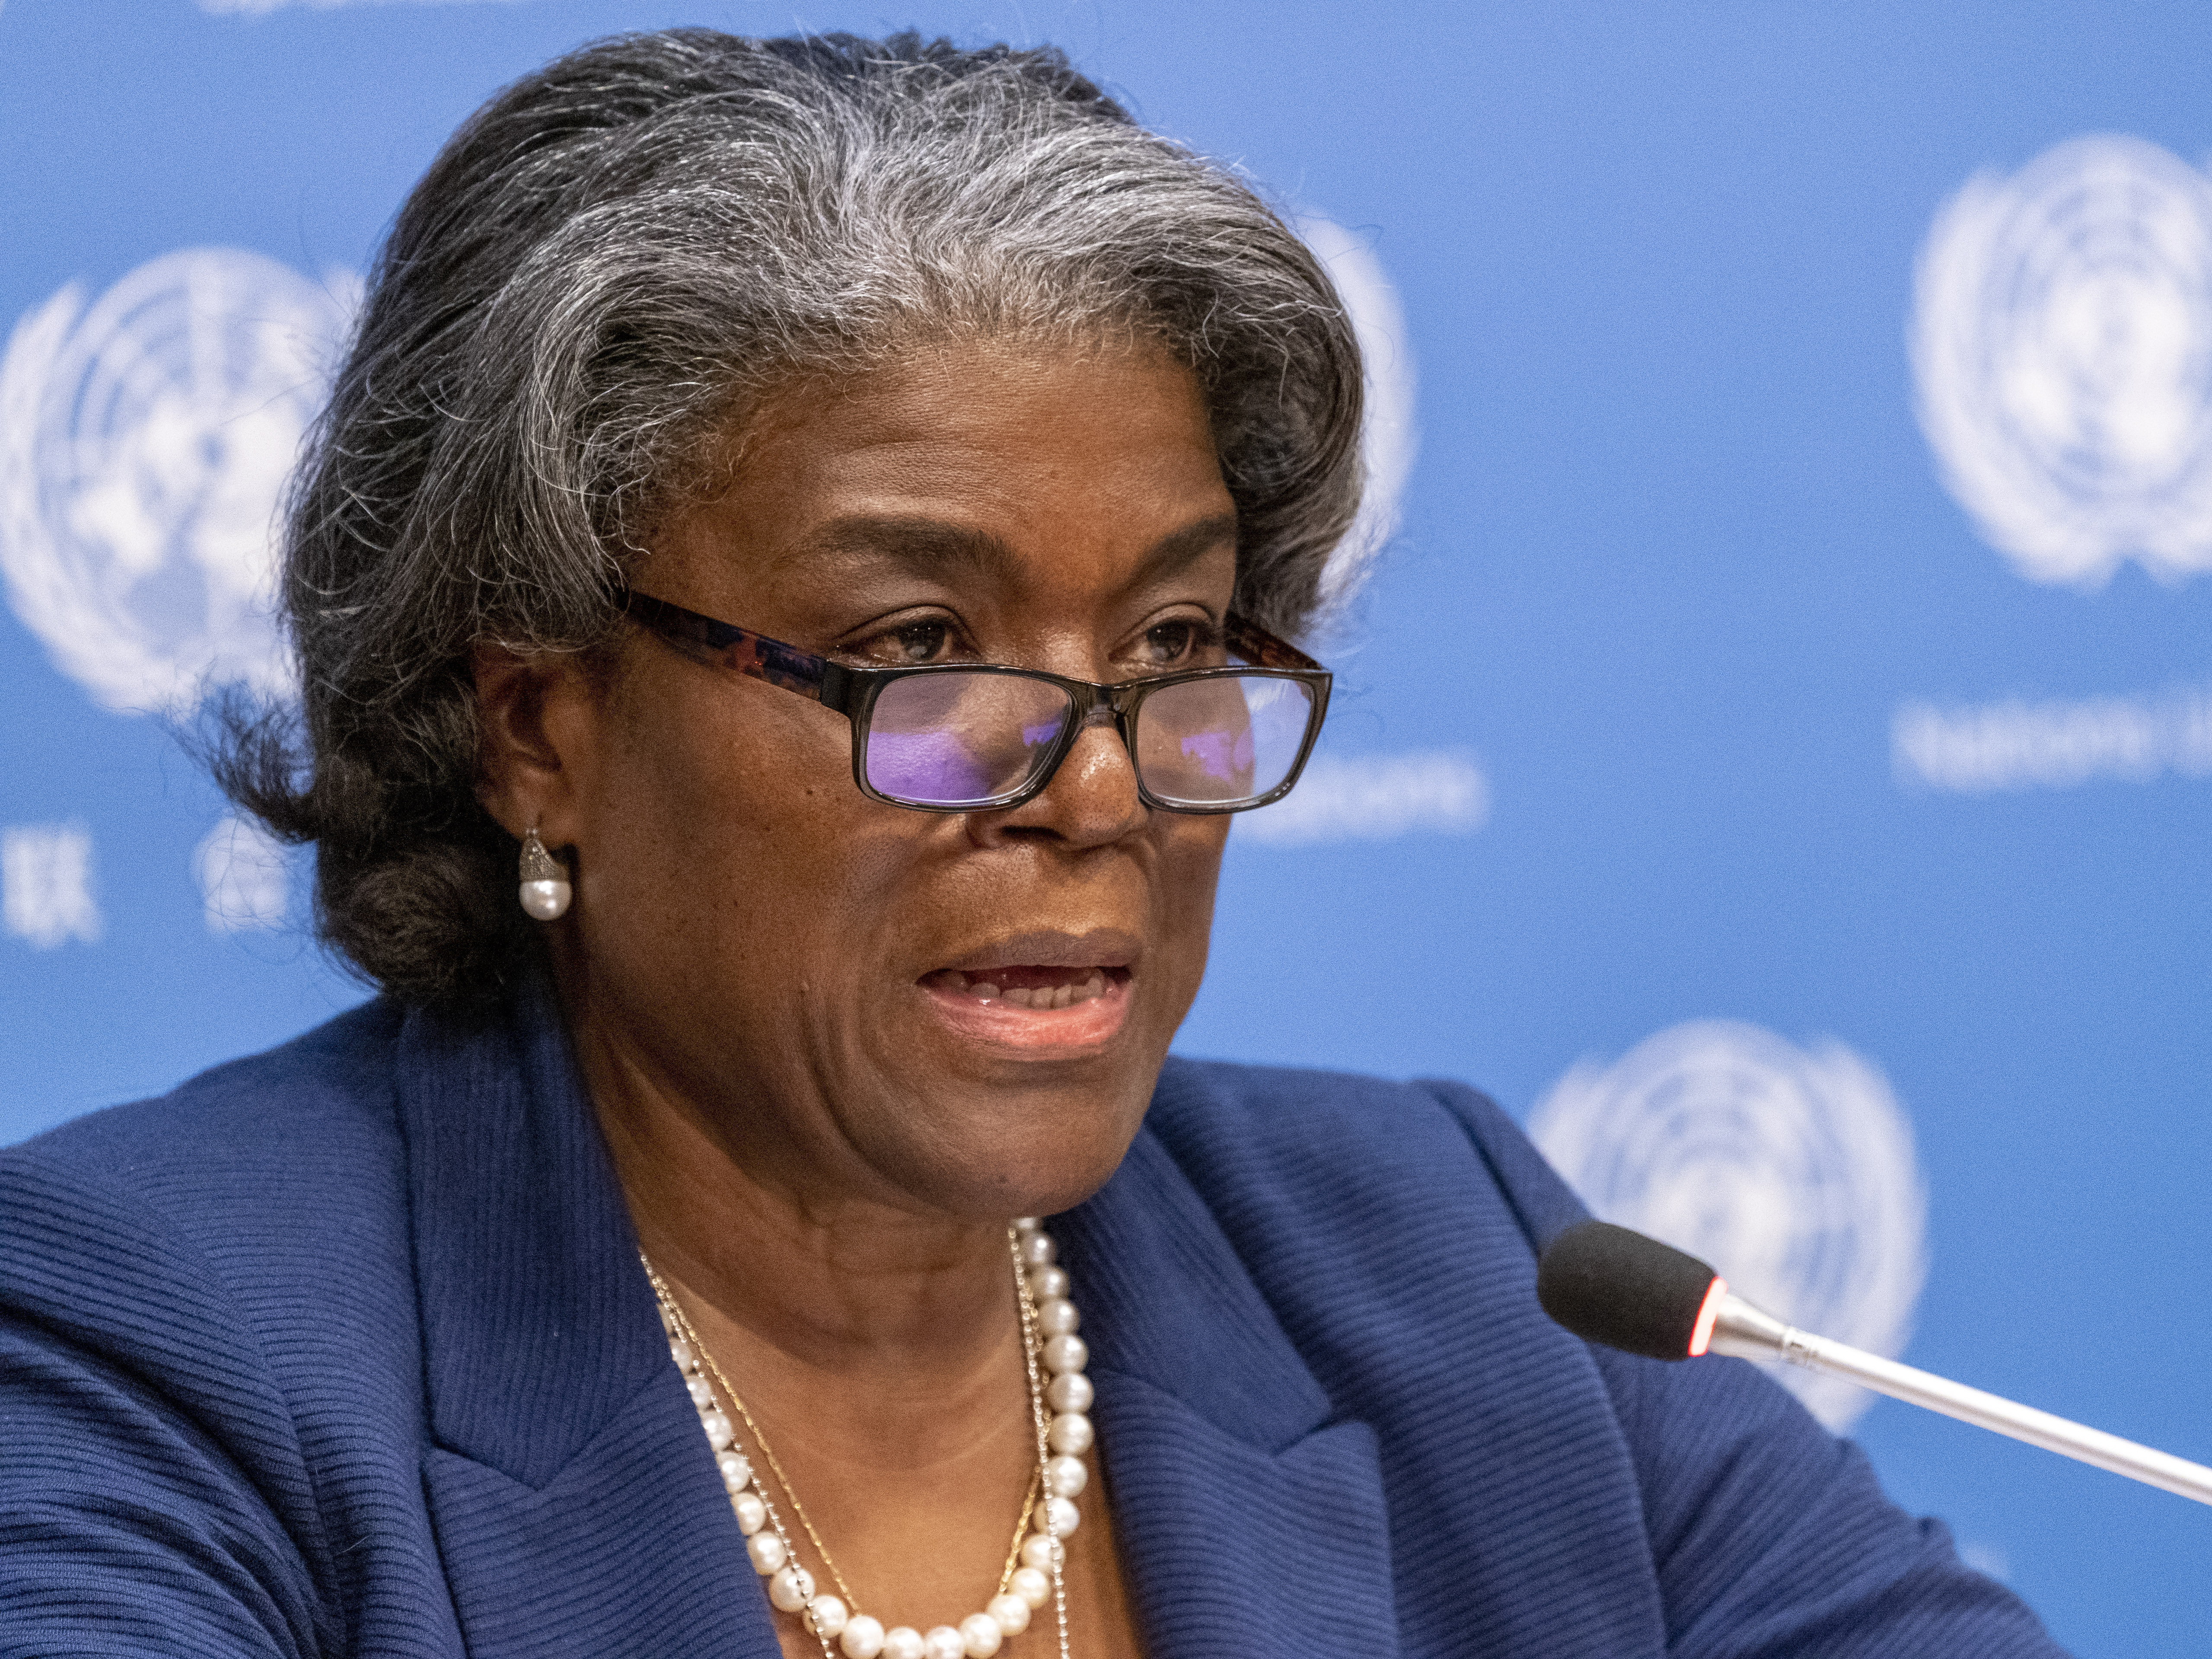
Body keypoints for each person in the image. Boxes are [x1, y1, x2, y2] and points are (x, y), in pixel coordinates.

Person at [0, 28, 2065, 1659]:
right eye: (918, 649)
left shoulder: (1444, 1260)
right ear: (536, 727)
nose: (1096, 789)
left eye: (1172, 641)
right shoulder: (154, 1346)